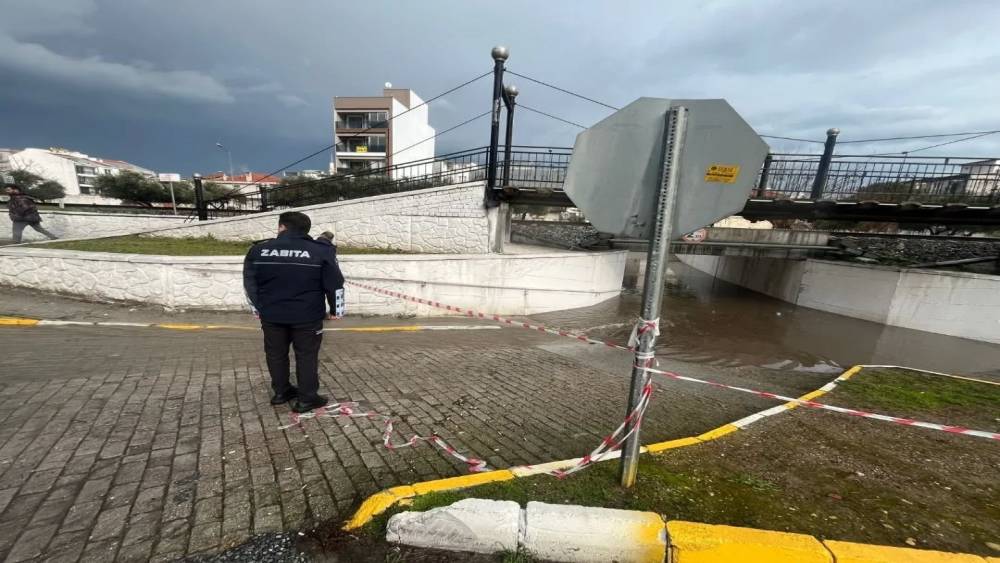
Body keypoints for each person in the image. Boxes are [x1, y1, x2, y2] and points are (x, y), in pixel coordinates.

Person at [243, 211, 345, 413]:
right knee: (306, 355)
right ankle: (307, 398)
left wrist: (258, 308)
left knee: (275, 354)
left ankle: (281, 392)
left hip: (271, 314)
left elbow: (249, 283)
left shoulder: (258, 250)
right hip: (306, 316)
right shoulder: (320, 251)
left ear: (282, 227)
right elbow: (335, 284)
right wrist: (336, 310)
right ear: (306, 230)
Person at [4, 177, 58, 243]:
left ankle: (16, 243)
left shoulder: (19, 198)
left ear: (15, 190)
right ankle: (54, 237)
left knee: (16, 230)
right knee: (39, 229)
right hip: (31, 217)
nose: (7, 191)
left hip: (23, 218)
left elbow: (25, 207)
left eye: (8, 190)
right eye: (6, 190)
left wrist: (15, 215)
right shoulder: (18, 197)